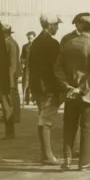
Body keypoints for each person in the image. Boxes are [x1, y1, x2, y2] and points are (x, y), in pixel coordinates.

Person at [54, 15, 90, 170]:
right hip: (89, 94)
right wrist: (81, 89)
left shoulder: (68, 44)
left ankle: (67, 160)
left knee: (69, 126)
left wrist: (68, 87)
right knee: (88, 128)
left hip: (70, 94)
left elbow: (57, 68)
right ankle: (84, 162)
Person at [28, 15, 62, 164]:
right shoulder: (53, 43)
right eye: (56, 25)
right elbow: (56, 68)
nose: (58, 28)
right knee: (46, 119)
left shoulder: (35, 42)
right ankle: (48, 156)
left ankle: (45, 154)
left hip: (38, 87)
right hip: (48, 87)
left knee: (42, 117)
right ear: (50, 25)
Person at [3, 25, 21, 130]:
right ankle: (10, 117)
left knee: (12, 97)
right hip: (9, 75)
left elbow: (12, 64)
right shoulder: (7, 42)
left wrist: (9, 80)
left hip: (11, 75)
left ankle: (14, 118)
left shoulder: (10, 43)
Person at [20, 31, 36, 106]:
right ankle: (26, 99)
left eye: (31, 38)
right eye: (29, 38)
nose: (30, 40)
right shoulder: (25, 46)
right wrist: (22, 63)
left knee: (34, 82)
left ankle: (34, 99)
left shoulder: (37, 46)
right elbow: (22, 56)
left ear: (34, 37)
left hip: (34, 67)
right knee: (26, 83)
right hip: (27, 68)